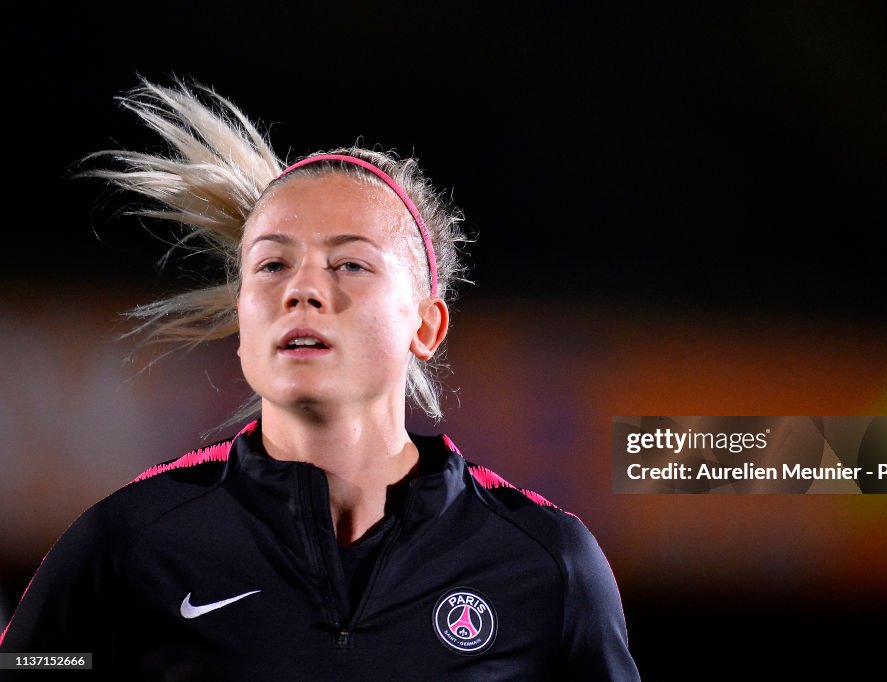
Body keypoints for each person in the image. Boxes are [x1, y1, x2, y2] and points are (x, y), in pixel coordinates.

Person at [0, 78, 641, 680]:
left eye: (350, 265)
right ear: (242, 319)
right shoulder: (128, 545)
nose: (303, 289)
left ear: (425, 326)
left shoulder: (545, 562)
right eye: (272, 265)